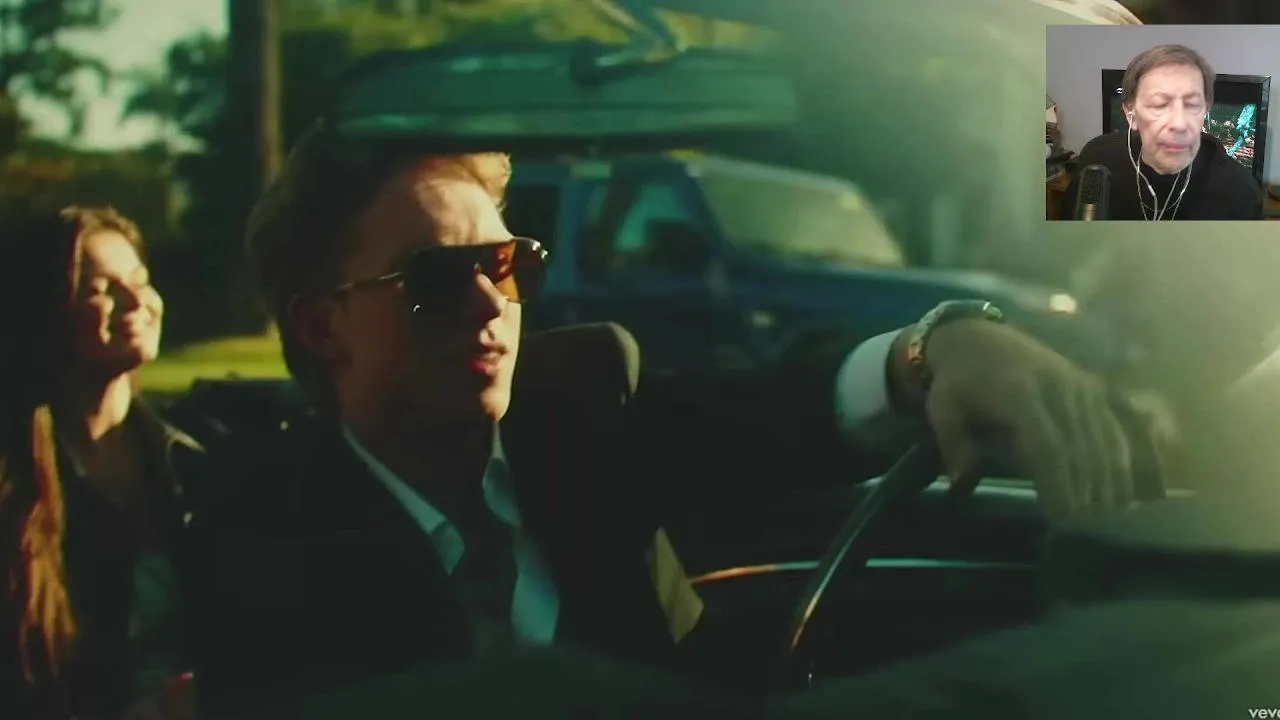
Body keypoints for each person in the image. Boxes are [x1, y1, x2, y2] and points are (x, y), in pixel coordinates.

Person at [184, 120, 1148, 717]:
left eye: (506, 264)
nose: (489, 305)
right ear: (325, 326)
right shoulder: (256, 528)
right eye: (438, 278)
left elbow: (776, 411)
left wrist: (934, 349)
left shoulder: (586, 404)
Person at [0, 207, 200, 719]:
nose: (136, 302)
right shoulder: (14, 486)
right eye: (101, 290)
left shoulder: (193, 466)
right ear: (48, 310)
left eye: (141, 280)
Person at [1057, 44, 1263, 221]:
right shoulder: (1097, 160)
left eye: (1192, 105)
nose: (1179, 124)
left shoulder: (1238, 190)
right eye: (1159, 105)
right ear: (1130, 114)